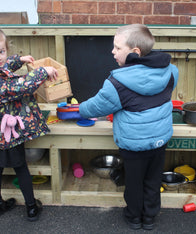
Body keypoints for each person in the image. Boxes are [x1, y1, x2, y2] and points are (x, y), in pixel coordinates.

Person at [79, 24, 179, 230]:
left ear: (135, 52)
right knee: (152, 180)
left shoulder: (117, 82)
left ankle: (134, 217)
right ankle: (150, 218)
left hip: (134, 144)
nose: (112, 51)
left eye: (117, 48)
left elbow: (96, 107)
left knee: (133, 182)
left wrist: (78, 109)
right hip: (160, 140)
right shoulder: (171, 72)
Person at [0, 25, 58, 221]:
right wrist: (42, 72)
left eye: (2, 51)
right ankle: (31, 207)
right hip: (5, 133)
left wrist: (18, 60)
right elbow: (19, 86)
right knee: (21, 167)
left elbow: (4, 68)